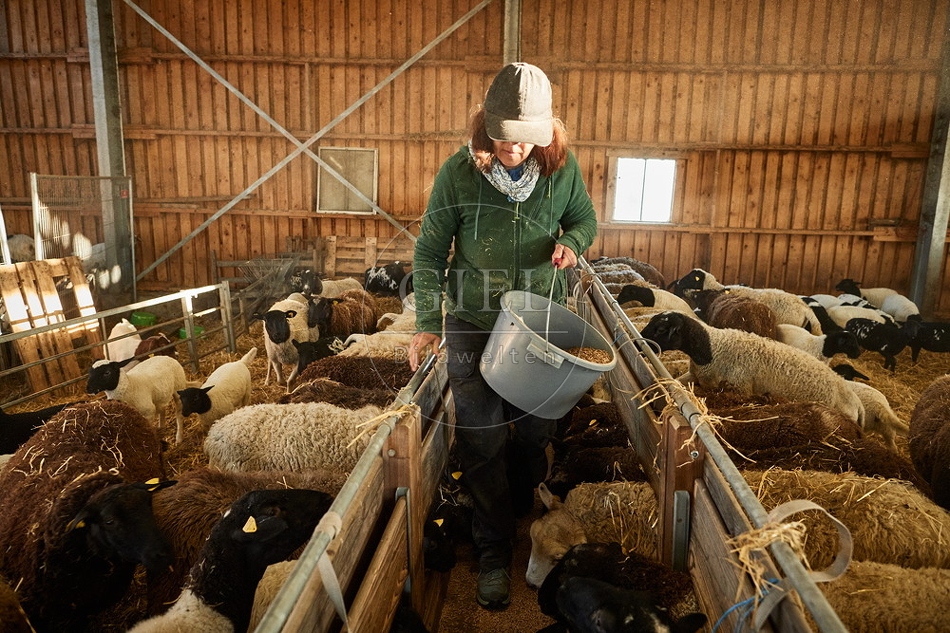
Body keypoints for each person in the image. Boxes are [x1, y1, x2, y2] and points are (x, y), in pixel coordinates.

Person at [408, 62, 598, 610]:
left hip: (539, 325)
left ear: (544, 134)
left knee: (536, 429)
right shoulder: (457, 174)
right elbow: (428, 252)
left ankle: (517, 501)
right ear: (484, 125)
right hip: (472, 322)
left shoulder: (562, 171)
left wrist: (574, 244)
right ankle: (492, 551)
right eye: (502, 137)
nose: (513, 149)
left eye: (524, 139)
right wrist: (426, 320)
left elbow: (584, 220)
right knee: (482, 440)